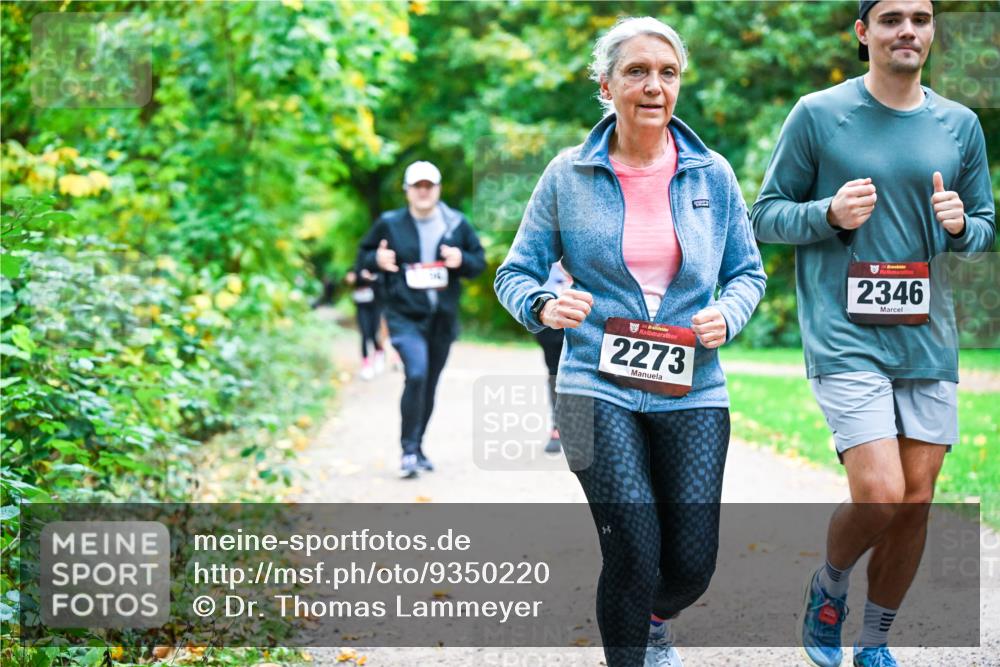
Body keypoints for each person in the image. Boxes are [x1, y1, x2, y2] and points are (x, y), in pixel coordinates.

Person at [495, 17, 766, 667]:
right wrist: (543, 303)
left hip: (692, 384)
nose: (654, 86)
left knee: (690, 566)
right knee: (633, 549)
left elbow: (746, 272)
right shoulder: (567, 174)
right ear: (606, 85)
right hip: (593, 380)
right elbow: (515, 272)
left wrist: (727, 314)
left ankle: (650, 617)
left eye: (667, 72)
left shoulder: (711, 173)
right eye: (637, 71)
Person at [750, 2, 995, 666]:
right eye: (890, 19)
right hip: (844, 332)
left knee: (916, 501)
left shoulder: (960, 125)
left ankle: (875, 641)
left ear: (933, 32)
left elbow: (983, 228)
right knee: (882, 492)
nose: (907, 30)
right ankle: (829, 587)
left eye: (920, 17)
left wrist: (960, 226)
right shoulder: (819, 114)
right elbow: (765, 215)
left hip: (926, 337)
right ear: (864, 33)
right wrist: (828, 212)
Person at [357, 160, 486, 479]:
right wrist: (377, 259)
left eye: (429, 185)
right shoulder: (390, 223)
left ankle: (417, 446)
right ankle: (408, 451)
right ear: (407, 191)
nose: (424, 191)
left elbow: (479, 262)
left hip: (442, 318)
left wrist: (461, 260)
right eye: (418, 186)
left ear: (438, 189)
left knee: (428, 383)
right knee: (415, 374)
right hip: (404, 315)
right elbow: (363, 256)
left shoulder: (456, 223)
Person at [534, 261, 570, 453]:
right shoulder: (546, 240)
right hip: (551, 317)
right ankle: (558, 426)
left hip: (592, 315)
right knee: (556, 372)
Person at [344, 267, 385, 380]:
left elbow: (384, 281)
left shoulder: (377, 265)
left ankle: (379, 352)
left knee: (374, 333)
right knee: (364, 334)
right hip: (361, 306)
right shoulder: (357, 265)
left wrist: (372, 277)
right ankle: (366, 365)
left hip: (375, 305)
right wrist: (350, 278)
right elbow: (348, 279)